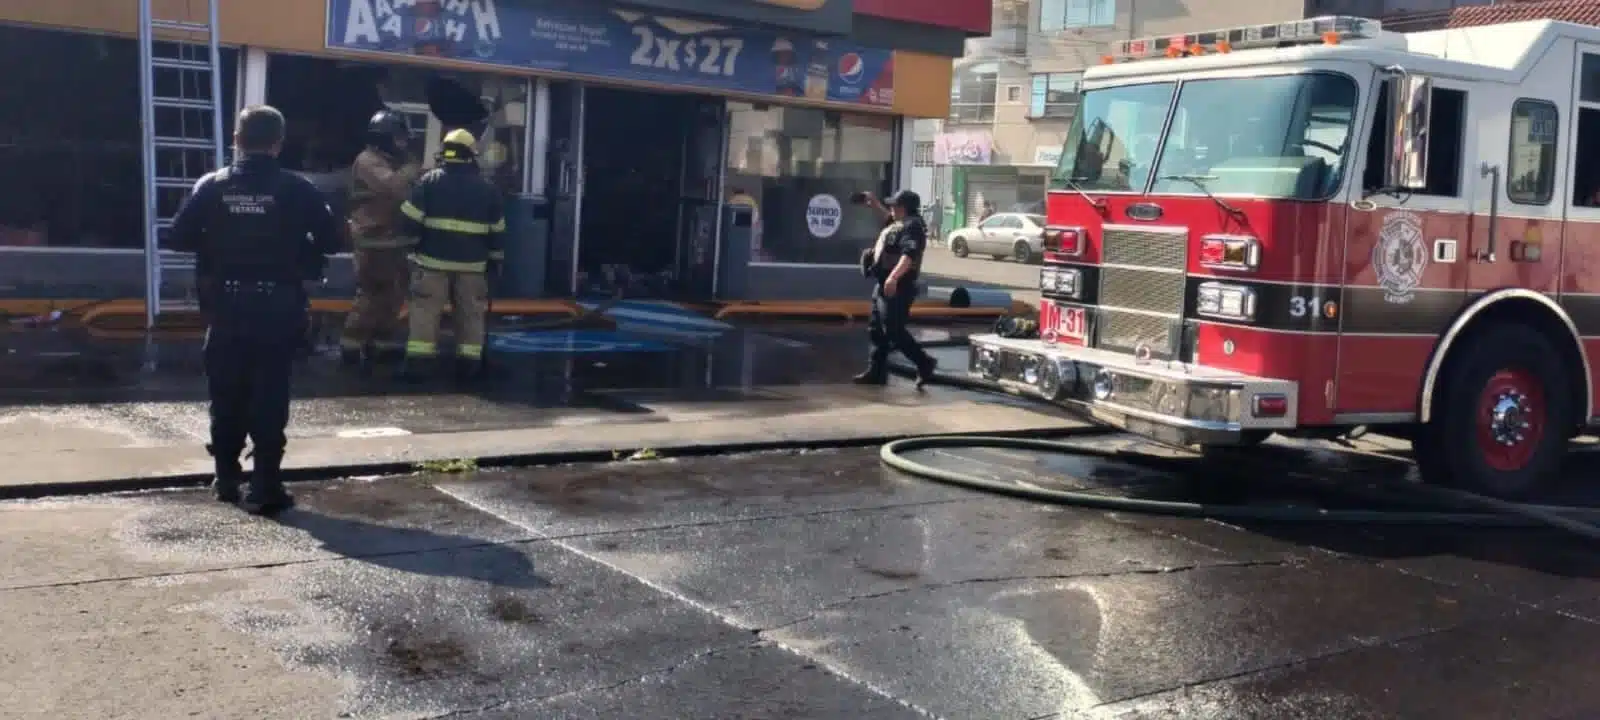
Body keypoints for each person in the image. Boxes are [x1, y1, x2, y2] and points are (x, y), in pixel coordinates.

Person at [167, 105, 341, 515]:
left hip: (225, 305)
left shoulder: (212, 186)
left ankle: (226, 478)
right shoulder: (297, 189)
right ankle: (265, 485)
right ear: (279, 144)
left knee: (225, 392)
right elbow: (332, 239)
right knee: (270, 393)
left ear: (236, 140)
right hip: (278, 305)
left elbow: (178, 236)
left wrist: (220, 241)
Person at [398, 128, 506, 382]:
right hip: (473, 267)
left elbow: (409, 220)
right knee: (471, 316)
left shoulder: (428, 182)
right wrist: (496, 261)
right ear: (471, 155)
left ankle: (419, 365)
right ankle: (469, 366)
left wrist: (412, 249)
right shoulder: (488, 189)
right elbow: (498, 232)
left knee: (425, 313)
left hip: (431, 263)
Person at [340, 109, 422, 370]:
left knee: (394, 296)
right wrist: (412, 168)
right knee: (371, 296)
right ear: (384, 138)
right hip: (373, 241)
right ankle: (350, 347)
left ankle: (381, 347)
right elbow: (393, 188)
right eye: (398, 138)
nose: (402, 143)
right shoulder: (367, 161)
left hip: (394, 241)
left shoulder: (392, 160)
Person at [854, 189, 937, 388]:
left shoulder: (913, 227)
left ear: (904, 208)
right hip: (883, 283)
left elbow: (909, 255)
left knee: (893, 330)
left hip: (899, 286)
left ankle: (924, 362)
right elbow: (888, 218)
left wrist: (893, 277)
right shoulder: (899, 222)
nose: (891, 208)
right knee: (876, 329)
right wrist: (873, 203)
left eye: (895, 205)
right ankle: (876, 372)